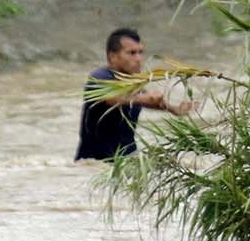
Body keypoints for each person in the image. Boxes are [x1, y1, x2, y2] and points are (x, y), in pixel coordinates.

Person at [75, 27, 193, 161]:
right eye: (131, 53)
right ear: (112, 56)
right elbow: (112, 99)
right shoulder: (99, 78)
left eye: (140, 52)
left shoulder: (132, 82)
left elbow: (148, 101)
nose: (138, 58)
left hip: (128, 160)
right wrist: (145, 98)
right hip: (94, 163)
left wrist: (175, 109)